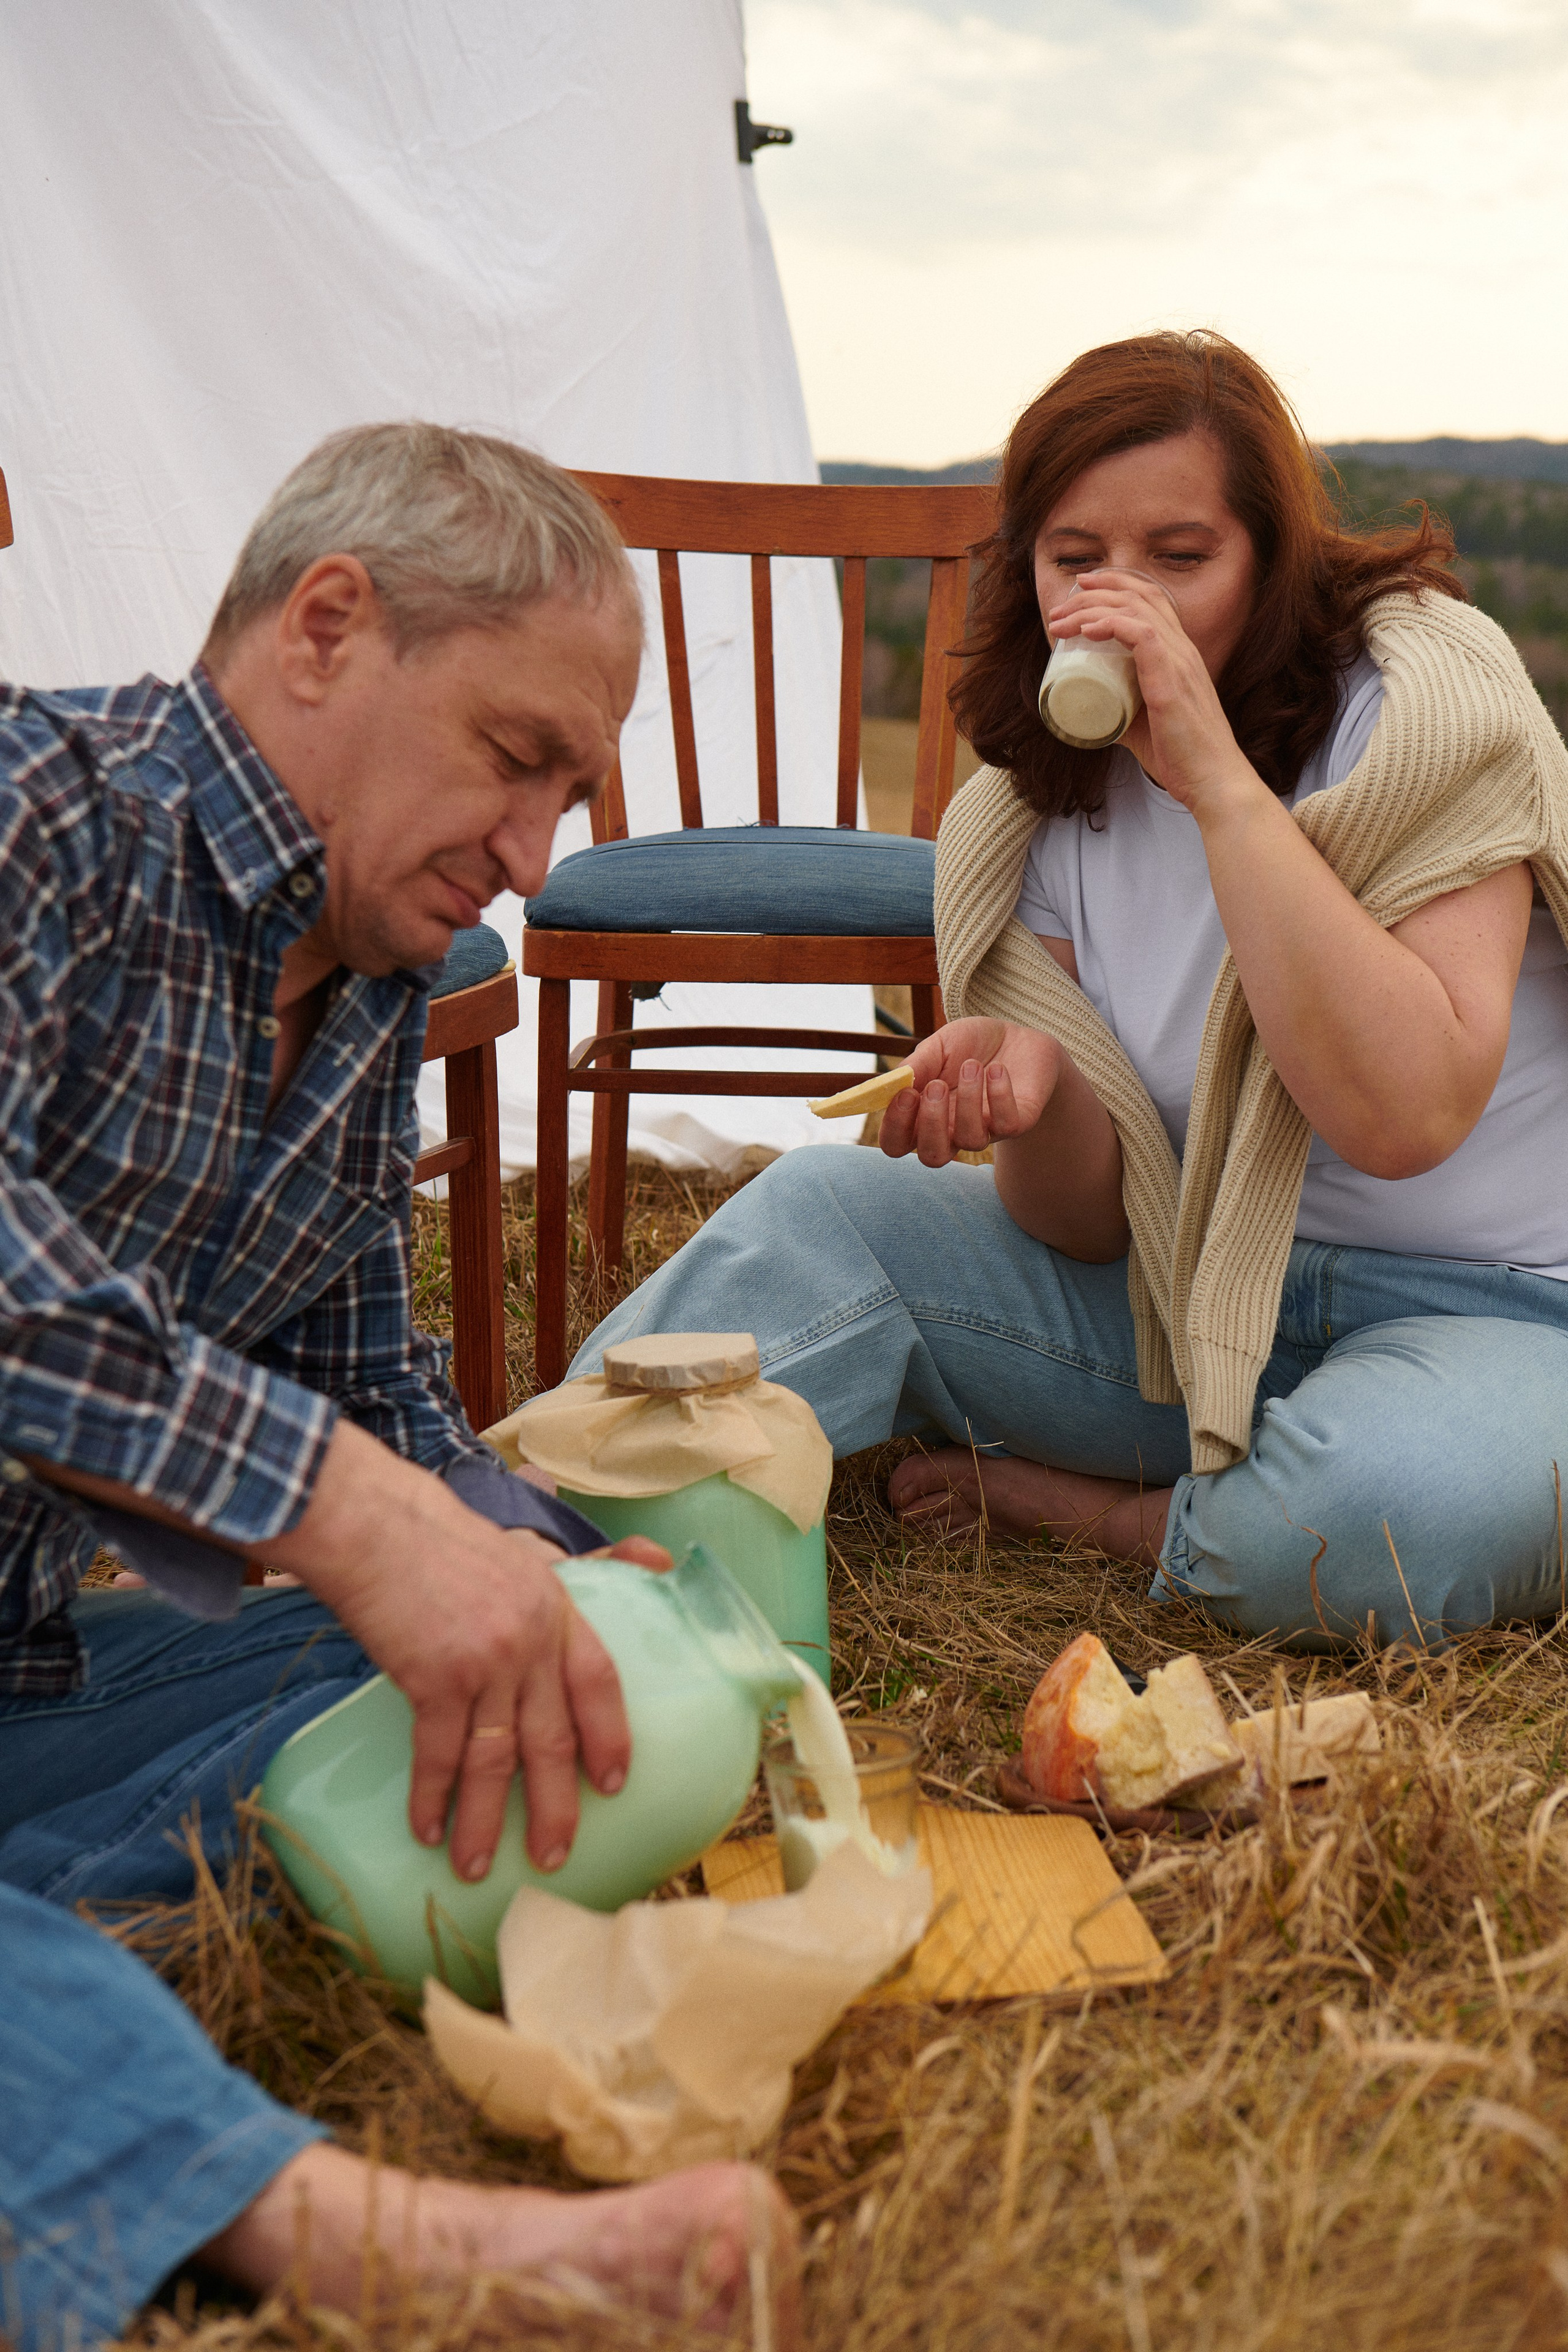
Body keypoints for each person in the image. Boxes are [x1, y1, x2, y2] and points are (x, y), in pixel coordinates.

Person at [0, 424, 799, 2350]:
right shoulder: (40, 808)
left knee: (497, 1665)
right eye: (517, 761)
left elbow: (380, 1400)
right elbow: (334, 1480)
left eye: (569, 796)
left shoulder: (366, 996)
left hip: (22, 1676)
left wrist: (561, 1564)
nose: (536, 857)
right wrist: (351, 1517)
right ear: (327, 629)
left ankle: (67, 1985)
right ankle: (362, 2244)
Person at [572, 331, 1568, 1656]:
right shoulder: (1025, 814)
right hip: (1192, 1307)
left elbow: (1403, 1115)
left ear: (1270, 562)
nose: (1121, 600)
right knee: (826, 1209)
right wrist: (1035, 1098)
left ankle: (1113, 1515)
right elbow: (1083, 1226)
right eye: (1075, 558)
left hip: (1490, 1310)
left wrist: (1216, 787)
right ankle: (535, 1522)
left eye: (1179, 555)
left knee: (1377, 1516)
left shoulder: (1416, 708)